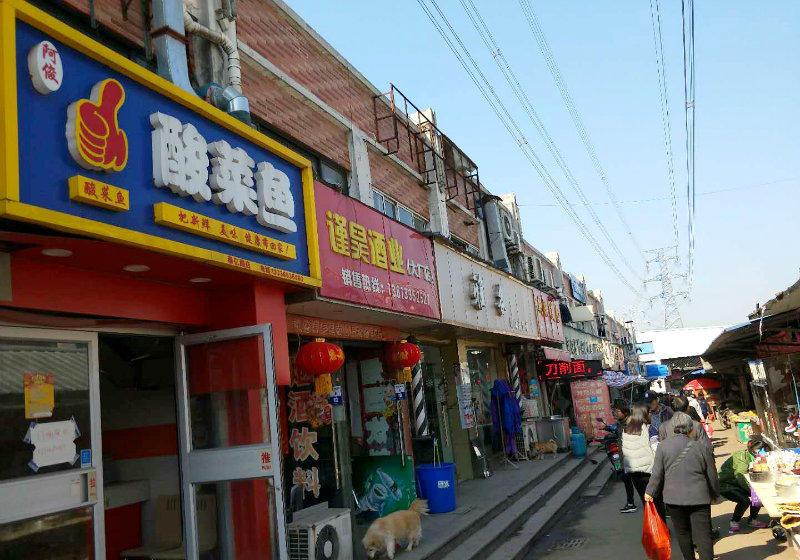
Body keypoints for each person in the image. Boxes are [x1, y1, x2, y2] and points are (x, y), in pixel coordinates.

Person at [645, 412, 720, 560]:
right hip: (699, 497)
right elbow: (712, 473)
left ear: (672, 427)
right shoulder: (701, 447)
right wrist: (714, 493)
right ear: (691, 428)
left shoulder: (663, 447)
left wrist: (650, 491)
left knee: (683, 533)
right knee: (703, 535)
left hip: (673, 498)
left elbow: (657, 473)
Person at [622, 403, 664, 518]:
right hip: (650, 472)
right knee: (658, 502)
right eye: (649, 412)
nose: (651, 414)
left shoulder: (626, 430)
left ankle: (652, 531)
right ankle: (662, 532)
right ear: (644, 414)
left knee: (646, 503)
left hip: (634, 473)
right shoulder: (649, 429)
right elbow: (656, 450)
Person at [719, 437, 769, 533]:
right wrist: (753, 491)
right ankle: (734, 520)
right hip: (726, 484)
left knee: (757, 495)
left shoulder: (759, 457)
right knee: (745, 500)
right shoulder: (741, 457)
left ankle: (752, 519)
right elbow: (740, 477)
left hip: (740, 482)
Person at [612, 400, 638, 513]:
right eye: (614, 411)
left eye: (617, 411)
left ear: (625, 412)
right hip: (625, 457)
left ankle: (656, 505)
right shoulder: (621, 423)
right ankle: (631, 503)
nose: (615, 413)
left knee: (640, 483)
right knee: (627, 480)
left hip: (633, 458)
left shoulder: (630, 423)